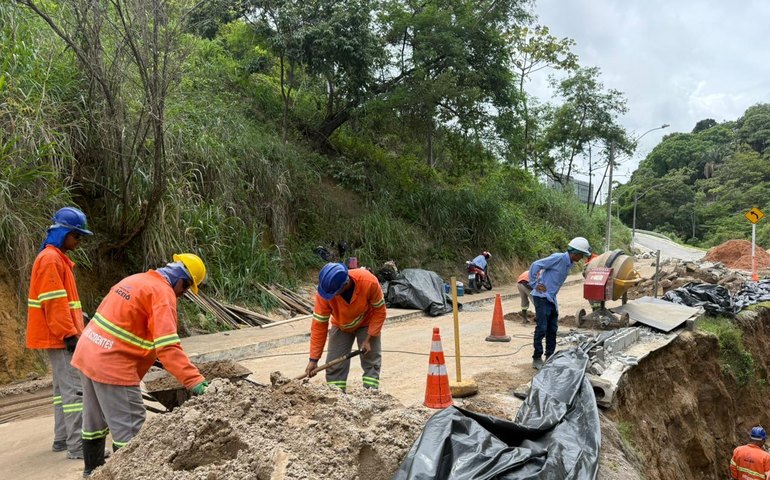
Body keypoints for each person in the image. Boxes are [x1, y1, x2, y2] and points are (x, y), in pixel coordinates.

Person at [72, 253, 209, 477]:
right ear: (181, 281)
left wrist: (147, 353)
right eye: (185, 290)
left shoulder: (135, 280)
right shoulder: (163, 294)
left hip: (88, 352)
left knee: (93, 419)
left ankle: (91, 472)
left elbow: (126, 325)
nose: (182, 295)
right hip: (112, 364)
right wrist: (195, 381)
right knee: (130, 426)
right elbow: (168, 347)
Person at [26, 207, 93, 460]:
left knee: (62, 391)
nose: (79, 241)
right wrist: (69, 335)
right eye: (76, 236)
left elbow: (63, 301)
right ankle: (79, 447)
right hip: (61, 337)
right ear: (62, 233)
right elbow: (54, 302)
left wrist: (78, 322)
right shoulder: (51, 260)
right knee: (75, 391)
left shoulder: (55, 258)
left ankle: (63, 438)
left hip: (57, 335)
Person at [305, 262, 386, 393]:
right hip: (341, 325)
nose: (332, 296)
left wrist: (368, 338)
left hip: (367, 321)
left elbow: (380, 311)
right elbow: (319, 326)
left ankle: (370, 393)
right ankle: (336, 395)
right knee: (334, 364)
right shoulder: (324, 293)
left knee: (371, 358)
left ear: (345, 284)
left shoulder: (368, 281)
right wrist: (313, 359)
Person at [528, 237, 591, 370]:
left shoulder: (569, 263)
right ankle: (537, 357)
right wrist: (534, 284)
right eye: (581, 255)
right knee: (542, 327)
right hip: (541, 297)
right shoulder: (558, 258)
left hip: (551, 298)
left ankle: (550, 356)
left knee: (552, 328)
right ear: (575, 253)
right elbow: (536, 265)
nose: (581, 258)